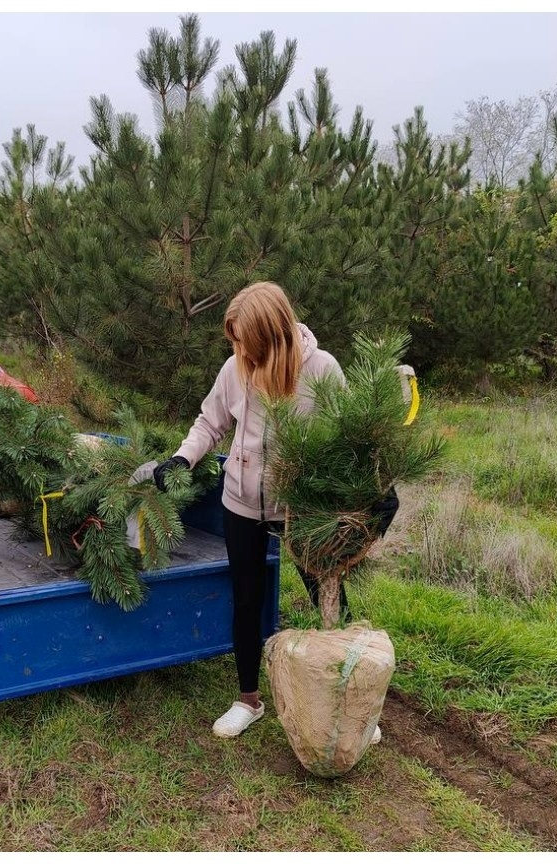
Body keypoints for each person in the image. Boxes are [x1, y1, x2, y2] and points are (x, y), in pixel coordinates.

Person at [154, 281, 398, 738]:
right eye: (234, 341)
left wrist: (377, 487)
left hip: (303, 508)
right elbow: (211, 420)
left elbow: (351, 441)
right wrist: (182, 457)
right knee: (246, 599)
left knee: (326, 595)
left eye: (243, 340)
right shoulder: (235, 368)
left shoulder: (322, 370)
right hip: (242, 503)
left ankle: (351, 705)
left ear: (271, 337)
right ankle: (248, 699)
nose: (237, 348)